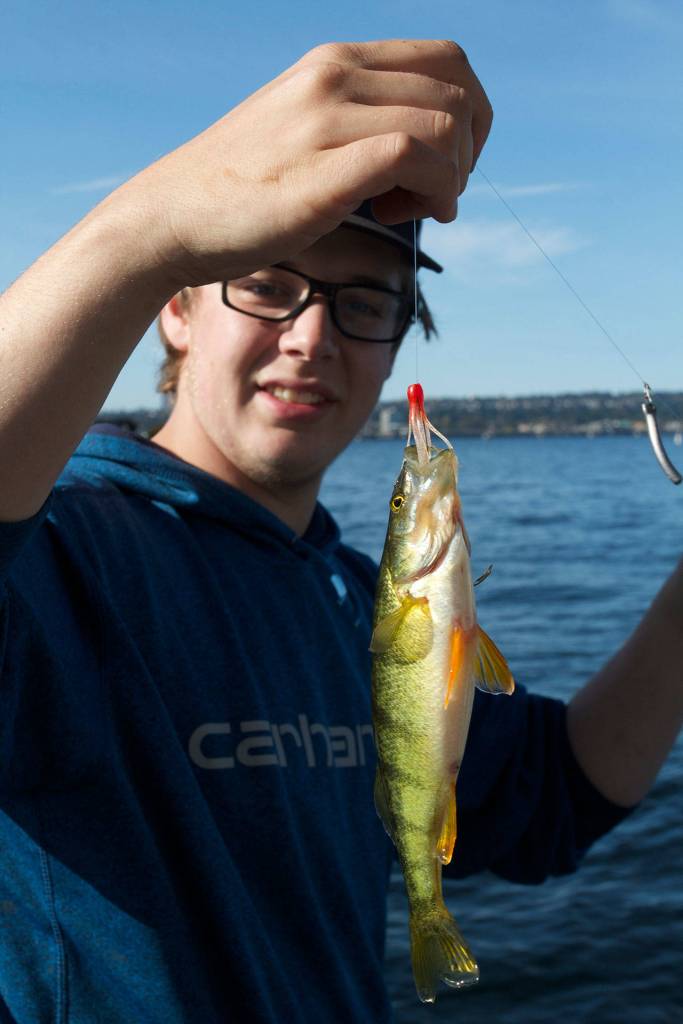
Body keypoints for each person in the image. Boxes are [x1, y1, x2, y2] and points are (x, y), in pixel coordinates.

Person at [0, 39, 680, 1024]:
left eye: (363, 303)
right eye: (265, 282)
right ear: (175, 307)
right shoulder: (60, 558)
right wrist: (140, 230)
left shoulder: (355, 601)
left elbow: (555, 796)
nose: (310, 336)